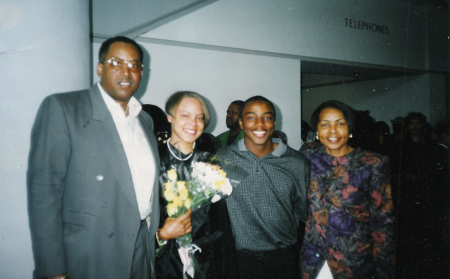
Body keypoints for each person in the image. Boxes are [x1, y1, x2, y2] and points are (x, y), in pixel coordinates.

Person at [27, 36, 160, 278]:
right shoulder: (64, 108)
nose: (126, 71)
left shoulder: (145, 120)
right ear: (100, 68)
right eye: (116, 63)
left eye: (134, 65)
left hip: (140, 246)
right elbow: (44, 193)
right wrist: (52, 269)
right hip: (90, 252)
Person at [217, 95, 310, 279]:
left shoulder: (297, 163)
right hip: (237, 259)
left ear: (274, 122)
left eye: (266, 117)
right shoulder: (222, 159)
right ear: (242, 123)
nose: (259, 124)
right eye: (251, 118)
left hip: (283, 258)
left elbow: (305, 212)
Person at [300, 100, 395, 279]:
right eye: (325, 125)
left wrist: (384, 271)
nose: (333, 131)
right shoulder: (307, 155)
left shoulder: (372, 163)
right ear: (317, 131)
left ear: (350, 129)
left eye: (340, 124)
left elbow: (383, 223)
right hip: (313, 260)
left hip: (354, 262)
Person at [155, 91, 238, 279]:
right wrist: (159, 236)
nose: (193, 124)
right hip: (164, 264)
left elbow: (220, 227)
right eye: (185, 116)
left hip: (206, 264)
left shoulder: (210, 164)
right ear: (170, 117)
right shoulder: (153, 160)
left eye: (199, 118)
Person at [394, 112, 449, 279]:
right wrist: (405, 177)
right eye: (412, 123)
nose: (415, 127)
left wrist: (423, 179)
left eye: (418, 123)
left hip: (427, 198)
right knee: (409, 238)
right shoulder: (400, 146)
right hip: (407, 198)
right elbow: (395, 171)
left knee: (428, 238)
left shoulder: (431, 146)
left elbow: (439, 175)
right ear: (407, 126)